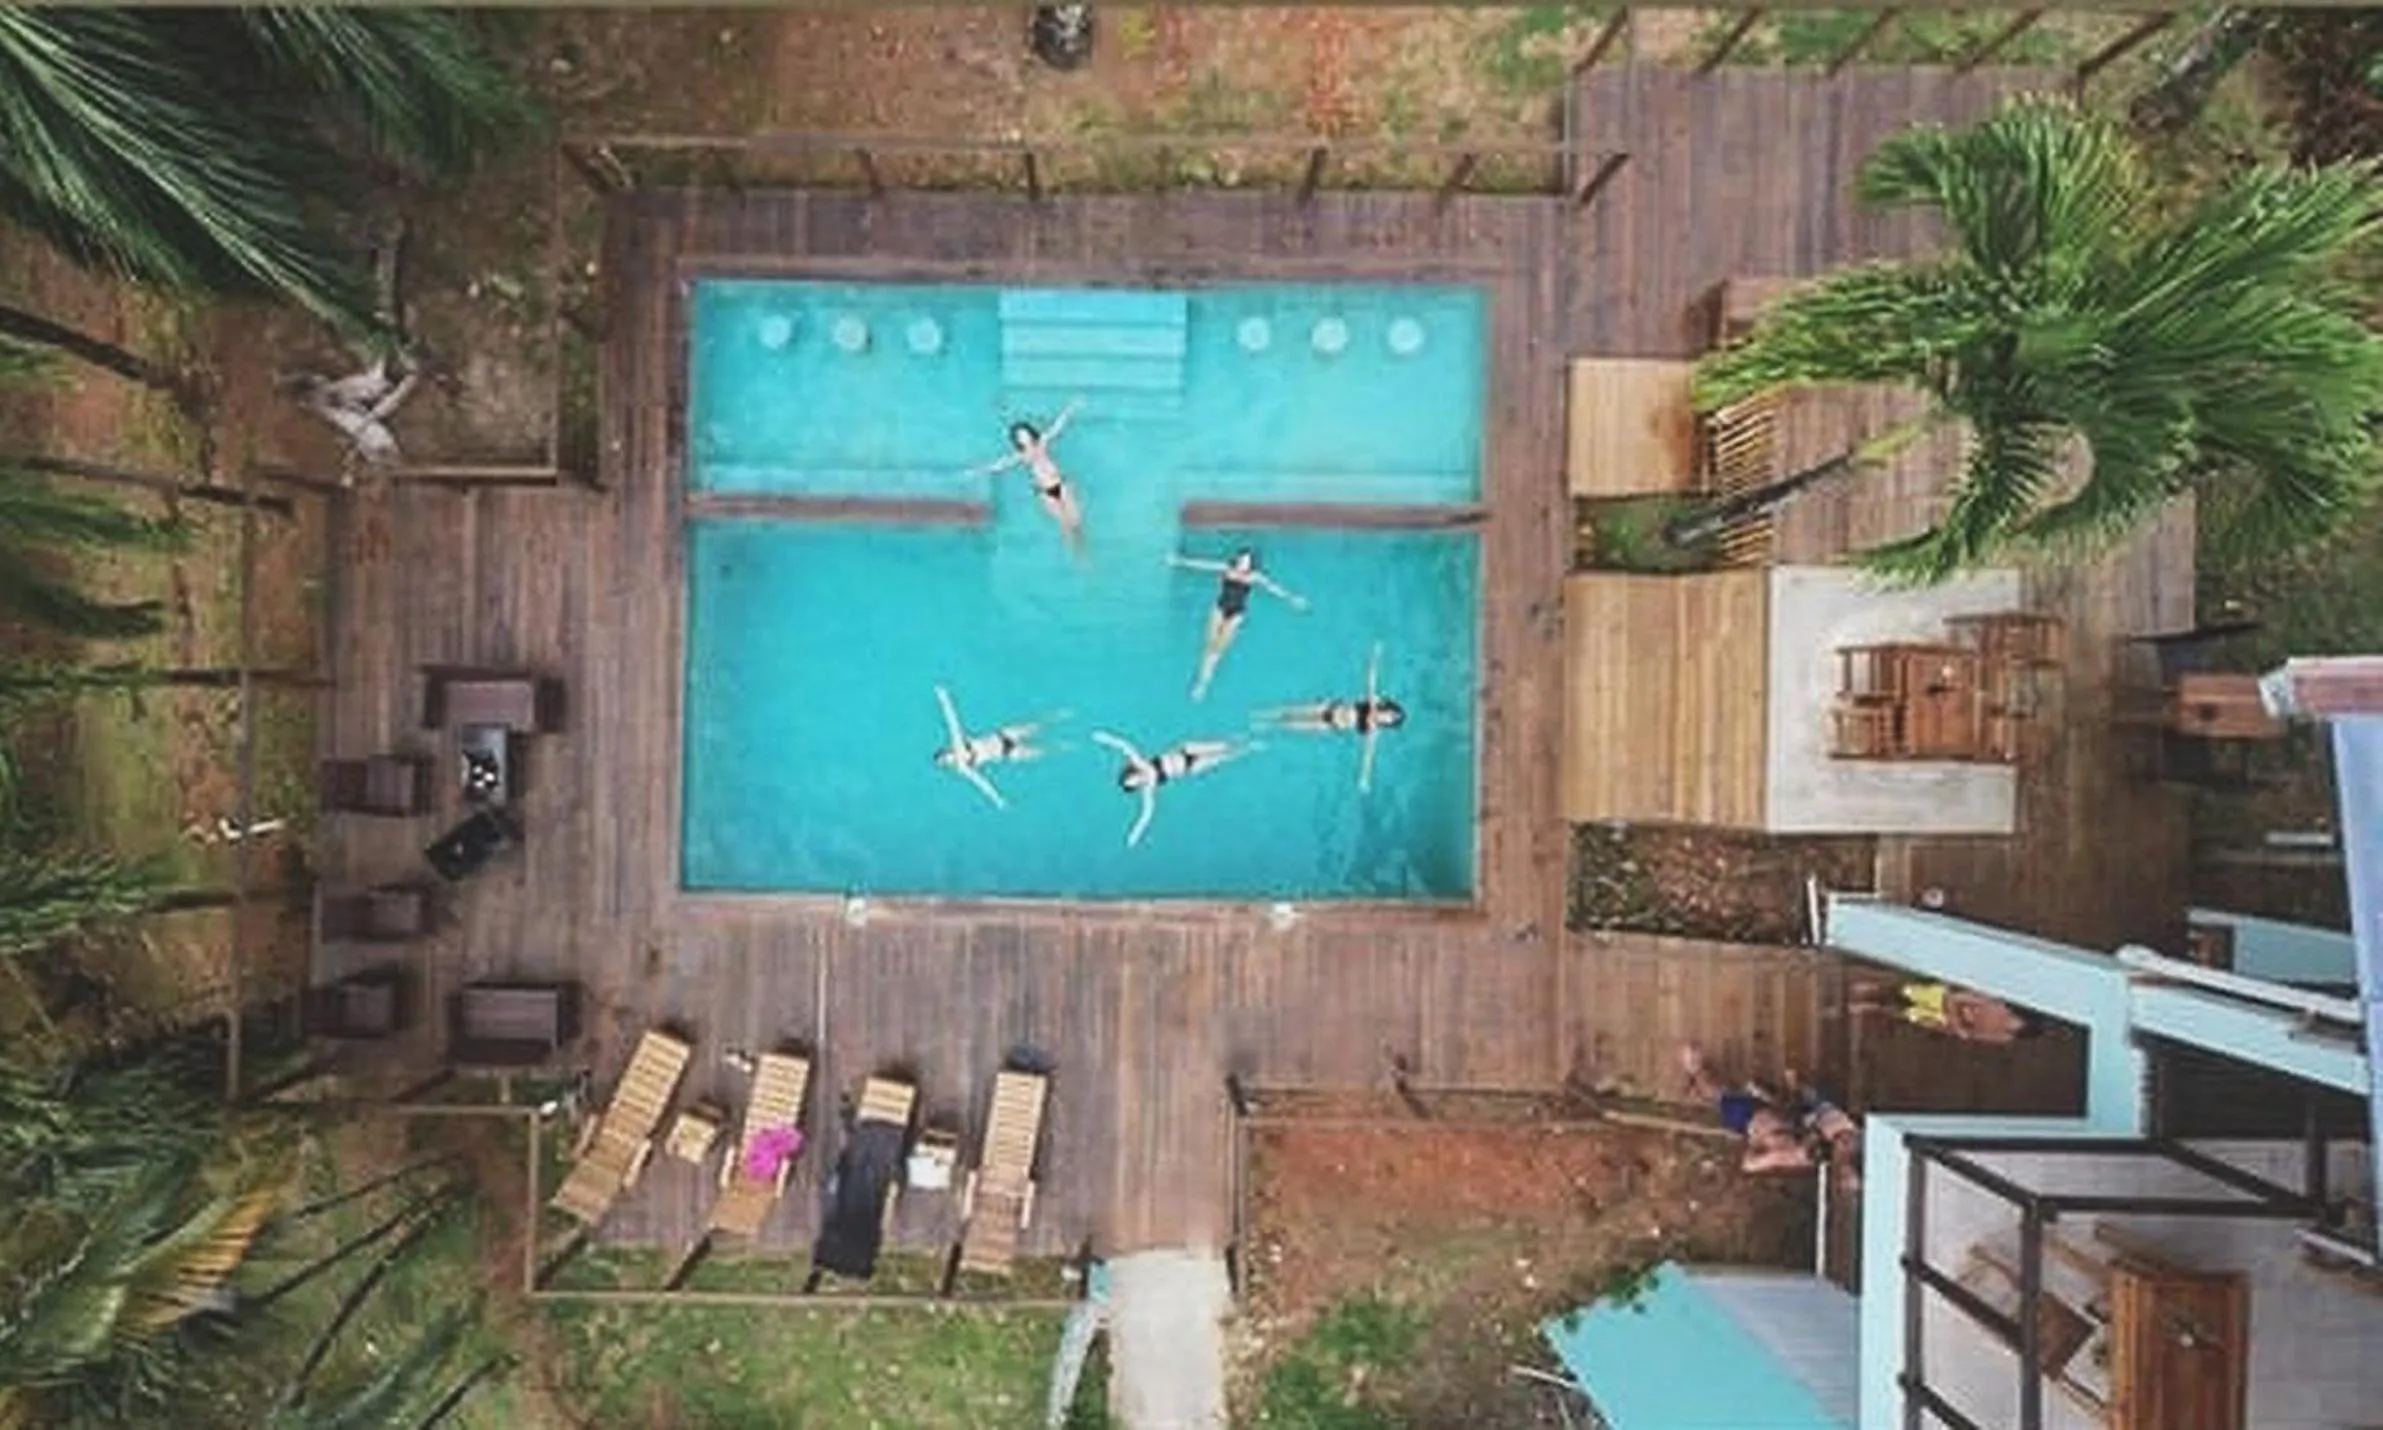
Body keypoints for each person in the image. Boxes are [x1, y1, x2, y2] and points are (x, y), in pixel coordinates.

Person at [1256, 642, 1403, 792]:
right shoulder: (1373, 701)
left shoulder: (1373, 731)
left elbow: (1368, 757)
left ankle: (1265, 726)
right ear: (1388, 708)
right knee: (1292, 710)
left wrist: (1364, 779)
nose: (1387, 717)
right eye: (1390, 714)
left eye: (1391, 720)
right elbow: (1371, 679)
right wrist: (1375, 656)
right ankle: (1262, 714)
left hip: (1329, 726)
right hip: (1329, 707)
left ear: (1388, 724)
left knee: (1293, 725)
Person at [1170, 548, 1306, 702]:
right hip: (1219, 609)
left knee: (1218, 650)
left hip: (1236, 614)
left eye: (1246, 561)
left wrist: (1292, 599)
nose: (1243, 563)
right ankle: (1201, 682)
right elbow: (1204, 565)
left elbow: (1273, 588)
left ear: (1251, 564)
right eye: (1241, 560)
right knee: (1209, 646)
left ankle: (1204, 683)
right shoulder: (1228, 569)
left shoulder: (1254, 577)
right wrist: (1181, 562)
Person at [1091, 730, 1259, 848]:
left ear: (1131, 773)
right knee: (1224, 757)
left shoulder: (1141, 763)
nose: (1135, 781)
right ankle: (1251, 747)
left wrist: (1105, 738)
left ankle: (1249, 736)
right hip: (1190, 767)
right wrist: (1135, 834)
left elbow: (1124, 746)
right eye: (1133, 785)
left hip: (1185, 750)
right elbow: (1146, 813)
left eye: (1131, 779)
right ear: (1136, 787)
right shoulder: (1148, 788)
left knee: (1224, 745)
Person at [969, 400, 1086, 549]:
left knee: (1076, 521)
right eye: (1020, 436)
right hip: (1044, 492)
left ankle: (1084, 549)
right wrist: (978, 471)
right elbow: (1000, 465)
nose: (1024, 437)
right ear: (1017, 440)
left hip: (1061, 483)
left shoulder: (1042, 442)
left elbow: (1057, 427)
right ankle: (1078, 556)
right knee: (1065, 524)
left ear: (1030, 433)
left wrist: (1070, 409)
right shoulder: (1022, 456)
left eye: (1024, 434)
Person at [931, 686, 1063, 810]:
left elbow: (952, 721)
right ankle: (1065, 744)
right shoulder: (962, 767)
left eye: (943, 757)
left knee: (1041, 724)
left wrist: (944, 697)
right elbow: (981, 783)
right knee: (1049, 749)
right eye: (944, 763)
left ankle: (1064, 715)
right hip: (1009, 753)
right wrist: (998, 799)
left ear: (945, 751)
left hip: (1004, 735)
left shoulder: (957, 744)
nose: (946, 760)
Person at [1851, 980, 2045, 1044]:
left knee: (1910, 1015)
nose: (2012, 1024)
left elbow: (1970, 1034)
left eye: (2016, 1027)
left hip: (1950, 1020)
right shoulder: (1999, 1004)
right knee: (1908, 991)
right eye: (2016, 1020)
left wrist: (1955, 1025)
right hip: (1947, 1000)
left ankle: (1871, 1008)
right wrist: (1957, 1010)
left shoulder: (2003, 1036)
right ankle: (1873, 989)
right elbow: (1960, 997)